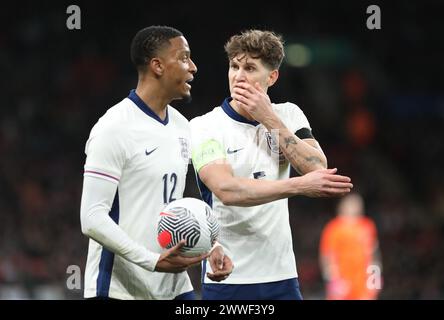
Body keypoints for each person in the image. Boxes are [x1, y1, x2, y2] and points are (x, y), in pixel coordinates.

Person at [189, 29, 353, 300]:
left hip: (282, 277)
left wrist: (270, 119)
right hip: (228, 278)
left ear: (272, 76)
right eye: (234, 66)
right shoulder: (205, 126)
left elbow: (317, 169)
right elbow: (227, 191)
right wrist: (298, 186)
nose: (239, 76)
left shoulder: (288, 114)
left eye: (250, 68)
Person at [80, 26, 232, 300]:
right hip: (118, 289)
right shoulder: (113, 128)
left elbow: (177, 204)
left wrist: (211, 246)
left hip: (173, 286)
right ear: (158, 65)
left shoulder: (183, 127)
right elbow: (91, 218)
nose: (194, 67)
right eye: (184, 58)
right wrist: (151, 260)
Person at [319, 193, 382, 300]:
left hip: (363, 283)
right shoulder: (333, 228)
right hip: (342, 283)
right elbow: (327, 256)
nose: (355, 207)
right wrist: (333, 281)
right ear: (342, 206)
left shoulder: (368, 225)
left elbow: (374, 254)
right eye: (351, 204)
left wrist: (375, 278)